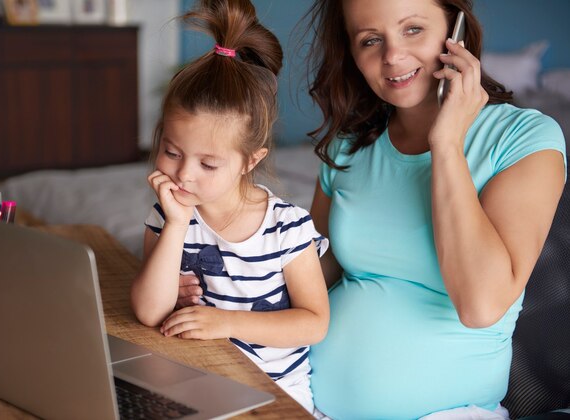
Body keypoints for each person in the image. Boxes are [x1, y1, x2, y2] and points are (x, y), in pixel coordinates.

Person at [177, 0, 566, 418]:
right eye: (370, 40)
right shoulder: (350, 145)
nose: (392, 56)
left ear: (457, 32)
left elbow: (481, 305)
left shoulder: (525, 138)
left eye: (413, 29)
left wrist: (447, 144)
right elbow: (306, 280)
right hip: (306, 404)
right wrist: (212, 283)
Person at [130, 0, 330, 413]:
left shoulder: (286, 228)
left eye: (207, 163)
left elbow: (314, 322)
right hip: (196, 378)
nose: (183, 175)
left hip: (275, 393)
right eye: (171, 151)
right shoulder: (168, 213)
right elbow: (150, 312)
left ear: (250, 161)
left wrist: (225, 322)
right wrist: (176, 225)